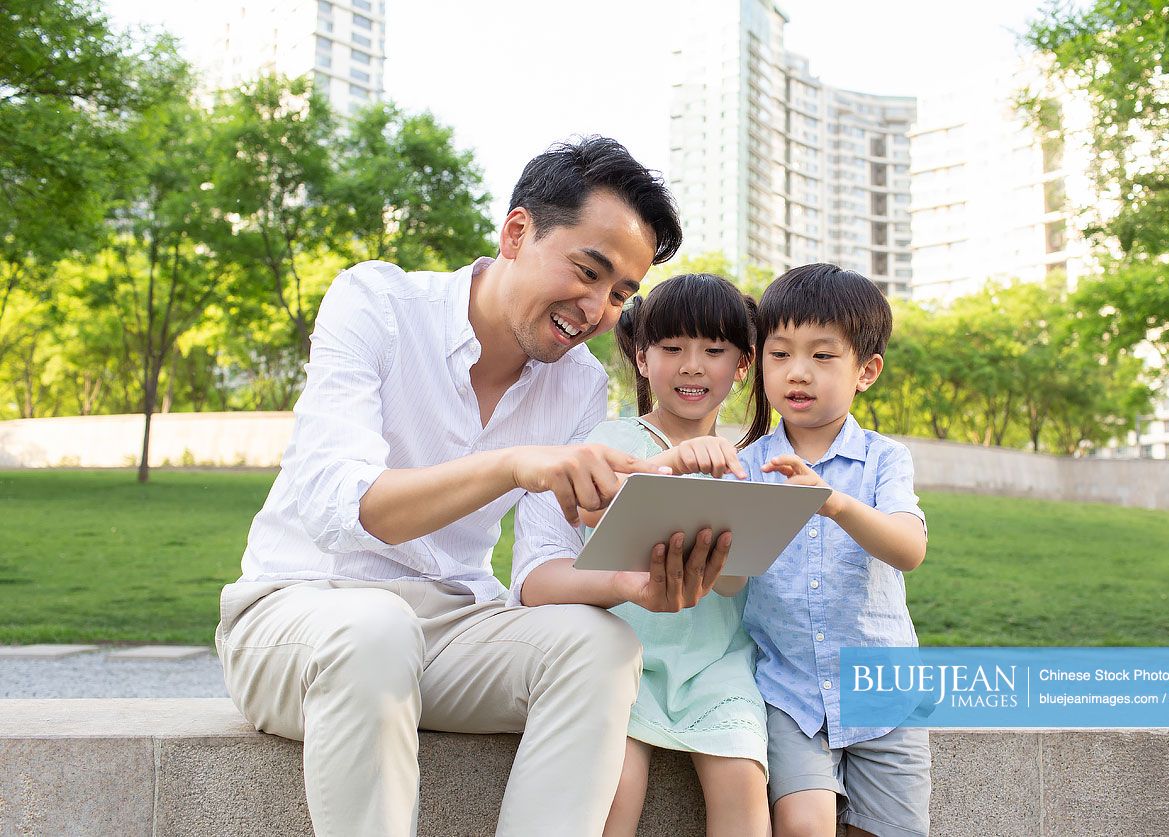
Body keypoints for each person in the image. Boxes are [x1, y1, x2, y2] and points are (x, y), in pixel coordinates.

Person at [213, 137, 734, 837]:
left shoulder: (577, 382)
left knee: (601, 647)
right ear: (516, 232)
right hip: (301, 612)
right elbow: (347, 508)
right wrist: (513, 461)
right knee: (376, 628)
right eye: (587, 271)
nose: (596, 308)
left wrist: (637, 584)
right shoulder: (376, 301)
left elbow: (538, 571)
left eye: (619, 294)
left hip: (451, 625)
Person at [737, 264, 931, 837]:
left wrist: (833, 503)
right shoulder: (745, 467)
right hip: (788, 690)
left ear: (866, 370)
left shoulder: (884, 459)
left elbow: (908, 548)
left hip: (884, 692)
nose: (798, 372)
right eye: (780, 354)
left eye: (823, 356)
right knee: (803, 825)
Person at [577, 274, 770, 837]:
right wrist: (675, 464)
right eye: (671, 349)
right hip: (626, 657)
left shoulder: (748, 463)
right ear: (642, 358)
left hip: (717, 664)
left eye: (714, 350)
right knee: (616, 789)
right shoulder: (613, 440)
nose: (692, 366)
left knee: (743, 786)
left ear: (742, 366)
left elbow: (733, 584)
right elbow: (593, 510)